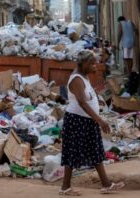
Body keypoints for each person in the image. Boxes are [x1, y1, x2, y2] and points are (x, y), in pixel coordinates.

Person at [59, 50, 124, 196]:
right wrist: (100, 120)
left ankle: (106, 184)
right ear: (83, 64)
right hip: (77, 121)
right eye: (92, 63)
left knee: (95, 151)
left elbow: (87, 98)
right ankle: (65, 187)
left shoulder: (84, 76)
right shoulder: (76, 79)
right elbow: (82, 102)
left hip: (87, 121)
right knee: (72, 152)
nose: (95, 66)